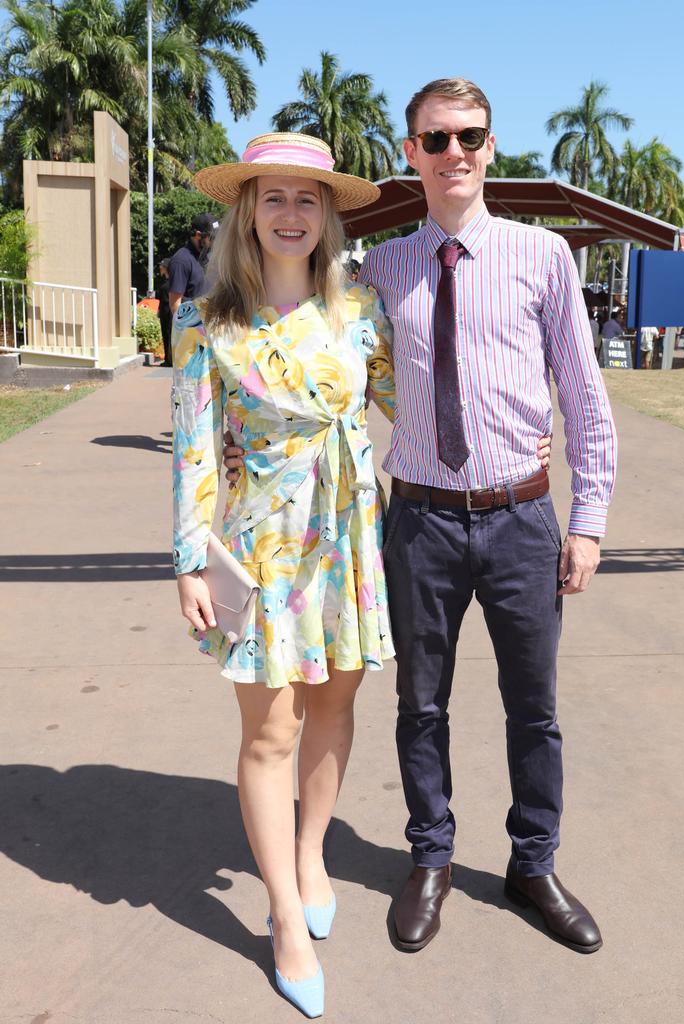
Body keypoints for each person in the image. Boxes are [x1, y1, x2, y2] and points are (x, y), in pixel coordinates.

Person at [225, 79, 616, 959]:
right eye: (435, 139)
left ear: (490, 144)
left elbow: (585, 401)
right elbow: (331, 374)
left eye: (469, 136)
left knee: (535, 709)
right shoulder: (381, 272)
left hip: (521, 519)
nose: (454, 154)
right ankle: (429, 858)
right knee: (420, 704)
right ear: (411, 151)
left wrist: (586, 520)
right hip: (420, 525)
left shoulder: (542, 256)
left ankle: (533, 864)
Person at [171, 133, 396, 1019]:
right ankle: (283, 916)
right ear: (247, 211)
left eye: (309, 199)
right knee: (272, 731)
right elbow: (192, 448)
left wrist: (516, 432)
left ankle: (310, 856)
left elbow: (407, 412)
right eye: (274, 198)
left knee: (336, 706)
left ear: (328, 214)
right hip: (262, 549)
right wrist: (189, 556)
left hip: (346, 542)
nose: (291, 215)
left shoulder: (361, 312)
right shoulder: (208, 323)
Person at [167, 212, 218, 317]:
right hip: (192, 329)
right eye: (212, 238)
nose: (215, 242)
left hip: (212, 327)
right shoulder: (181, 260)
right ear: (198, 235)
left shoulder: (208, 257)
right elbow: (175, 305)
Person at [156, 258, 173, 367]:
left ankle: (169, 360)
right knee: (167, 335)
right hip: (165, 312)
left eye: (162, 266)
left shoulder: (170, 283)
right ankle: (168, 359)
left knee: (168, 335)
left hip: (168, 313)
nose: (160, 268)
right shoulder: (167, 282)